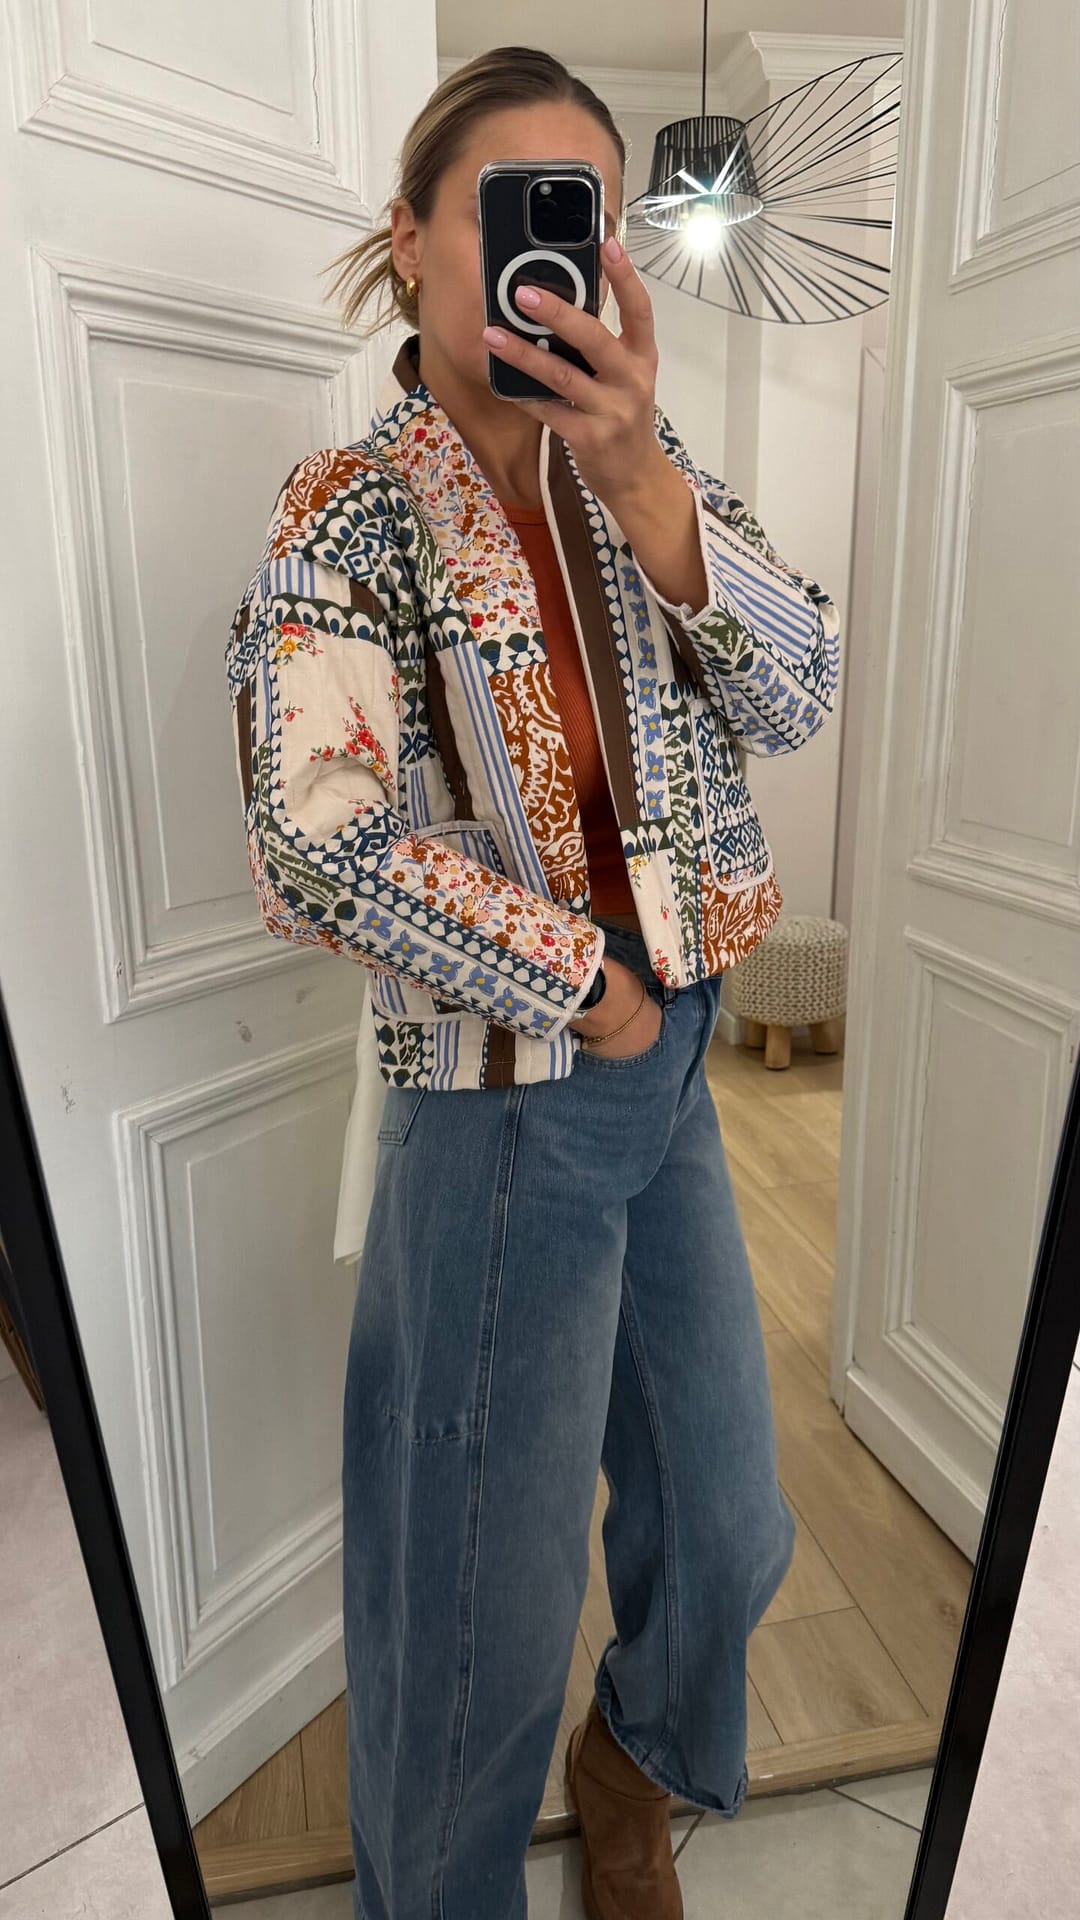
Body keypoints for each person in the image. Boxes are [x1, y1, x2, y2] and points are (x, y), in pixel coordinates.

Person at [226, 44, 839, 1920]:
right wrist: (584, 982)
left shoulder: (641, 472)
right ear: (416, 238)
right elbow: (317, 840)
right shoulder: (348, 508)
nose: (548, 254)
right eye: (510, 208)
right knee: (471, 1625)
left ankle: (635, 1759)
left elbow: (801, 693)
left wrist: (643, 470)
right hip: (508, 1097)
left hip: (676, 1064)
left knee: (730, 1525)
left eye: (584, 214)